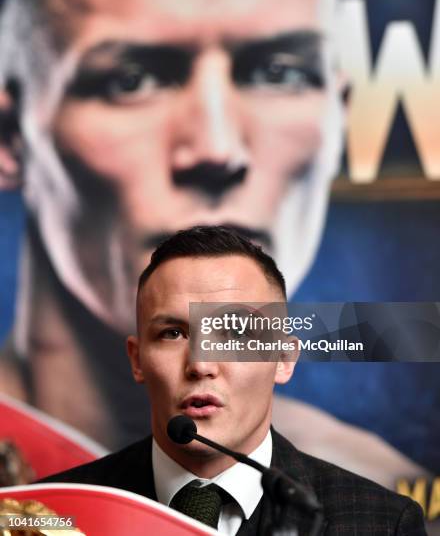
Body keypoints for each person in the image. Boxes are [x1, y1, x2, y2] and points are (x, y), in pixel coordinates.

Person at [0, 0, 344, 448]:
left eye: (281, 72)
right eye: (132, 80)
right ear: (10, 137)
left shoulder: (376, 503)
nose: (218, 149)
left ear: (340, 116)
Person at [40, 226, 426, 535]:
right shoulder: (48, 513)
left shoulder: (381, 522)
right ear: (137, 360)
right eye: (173, 333)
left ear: (283, 359)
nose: (202, 364)